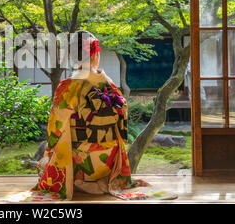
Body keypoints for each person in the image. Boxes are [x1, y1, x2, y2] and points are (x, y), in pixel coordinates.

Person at [28, 31, 156, 201]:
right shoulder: (108, 83)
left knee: (55, 146)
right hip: (108, 161)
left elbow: (55, 127)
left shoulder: (67, 86)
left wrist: (50, 152)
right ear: (96, 55)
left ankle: (77, 180)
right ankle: (103, 181)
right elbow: (122, 116)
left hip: (82, 161)